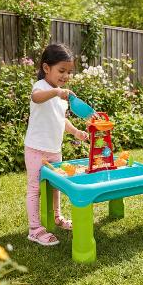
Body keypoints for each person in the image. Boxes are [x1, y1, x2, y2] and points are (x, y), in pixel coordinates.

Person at [24, 43, 89, 246]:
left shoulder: (61, 96)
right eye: (61, 71)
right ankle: (34, 229)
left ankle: (57, 217)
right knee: (35, 188)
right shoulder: (42, 87)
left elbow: (62, 120)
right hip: (36, 148)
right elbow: (36, 98)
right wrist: (56, 92)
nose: (65, 76)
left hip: (54, 150)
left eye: (69, 72)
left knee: (55, 187)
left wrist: (76, 131)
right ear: (46, 68)